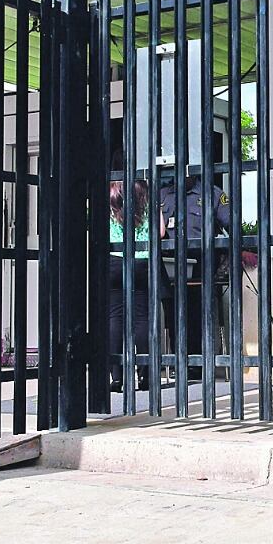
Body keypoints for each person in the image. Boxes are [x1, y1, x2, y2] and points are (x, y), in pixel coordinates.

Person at [157, 173, 235, 381]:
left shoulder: (212, 194)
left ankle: (198, 363)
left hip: (202, 266)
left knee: (198, 313)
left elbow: (232, 225)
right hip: (171, 266)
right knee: (174, 314)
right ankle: (179, 361)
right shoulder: (163, 195)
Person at [108, 151, 166, 393]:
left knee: (115, 317)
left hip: (114, 259)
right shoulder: (147, 192)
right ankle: (144, 376)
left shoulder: (109, 192)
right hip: (142, 260)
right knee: (141, 318)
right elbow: (160, 231)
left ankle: (116, 377)